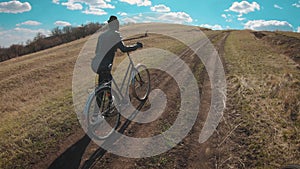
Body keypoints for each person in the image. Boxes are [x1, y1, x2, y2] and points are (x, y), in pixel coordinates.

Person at [91, 15, 143, 87]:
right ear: (115, 25)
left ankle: (101, 96)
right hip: (105, 65)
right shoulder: (115, 34)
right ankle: (111, 97)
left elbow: (96, 51)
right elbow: (124, 49)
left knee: (102, 85)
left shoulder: (101, 36)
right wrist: (137, 46)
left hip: (96, 64)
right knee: (110, 86)